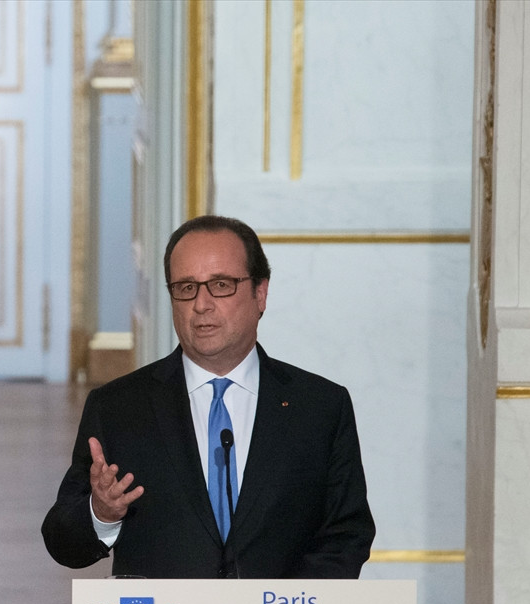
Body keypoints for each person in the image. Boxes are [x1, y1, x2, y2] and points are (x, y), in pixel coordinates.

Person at [42, 215, 374, 579]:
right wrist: (101, 514)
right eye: (186, 287)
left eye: (220, 285)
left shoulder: (320, 407)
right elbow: (63, 542)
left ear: (260, 293)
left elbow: (346, 534)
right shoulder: (119, 407)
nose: (201, 304)